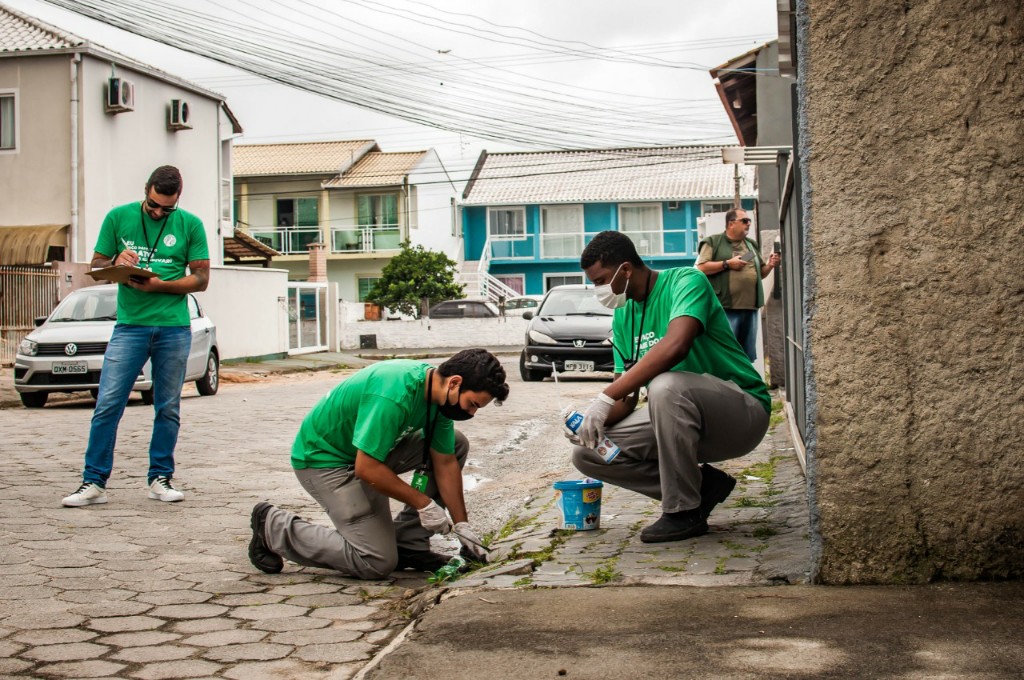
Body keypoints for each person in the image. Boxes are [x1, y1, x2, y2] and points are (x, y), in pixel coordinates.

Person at [569, 231, 771, 543]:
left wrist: (605, 396)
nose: (598, 290)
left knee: (666, 385)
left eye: (601, 280)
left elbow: (676, 345)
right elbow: (624, 399)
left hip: (741, 413)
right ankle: (703, 488)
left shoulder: (685, 282)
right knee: (590, 454)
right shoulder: (624, 316)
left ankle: (683, 512)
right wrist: (591, 421)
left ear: (625, 269)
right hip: (677, 419)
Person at [248, 349, 510, 579]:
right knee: (374, 561)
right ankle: (273, 526)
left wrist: (463, 525)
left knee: (454, 443)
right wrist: (424, 504)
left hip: (368, 454)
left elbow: (444, 462)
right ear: (455, 383)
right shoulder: (394, 392)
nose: (472, 413)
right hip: (325, 461)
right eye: (473, 404)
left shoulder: (438, 399)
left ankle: (408, 543)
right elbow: (367, 468)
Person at [62, 166, 210, 507]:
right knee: (108, 403)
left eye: (166, 209)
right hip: (129, 326)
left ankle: (160, 478)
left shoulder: (191, 224)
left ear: (178, 200)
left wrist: (161, 285)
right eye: (153, 205)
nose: (158, 212)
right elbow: (97, 267)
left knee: (168, 406)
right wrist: (116, 259)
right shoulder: (118, 217)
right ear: (146, 191)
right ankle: (93, 482)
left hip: (174, 327)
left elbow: (201, 279)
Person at [695, 208, 781, 361]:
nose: (748, 224)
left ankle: (744, 384)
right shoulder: (713, 242)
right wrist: (727, 264)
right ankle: (726, 384)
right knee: (727, 353)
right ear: (731, 223)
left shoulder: (750, 245)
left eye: (749, 221)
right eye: (744, 221)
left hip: (750, 308)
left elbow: (759, 273)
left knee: (746, 355)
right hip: (726, 308)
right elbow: (701, 267)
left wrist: (769, 265)